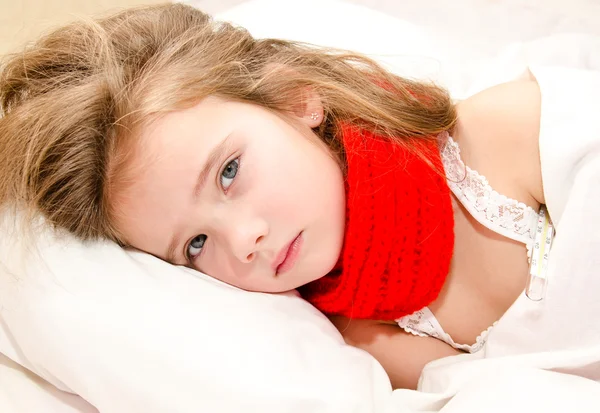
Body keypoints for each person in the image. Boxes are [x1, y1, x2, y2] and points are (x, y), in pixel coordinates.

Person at [0, 3, 547, 389]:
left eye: (229, 172)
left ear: (293, 100)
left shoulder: (509, 134)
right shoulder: (363, 336)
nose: (242, 241)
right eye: (194, 244)